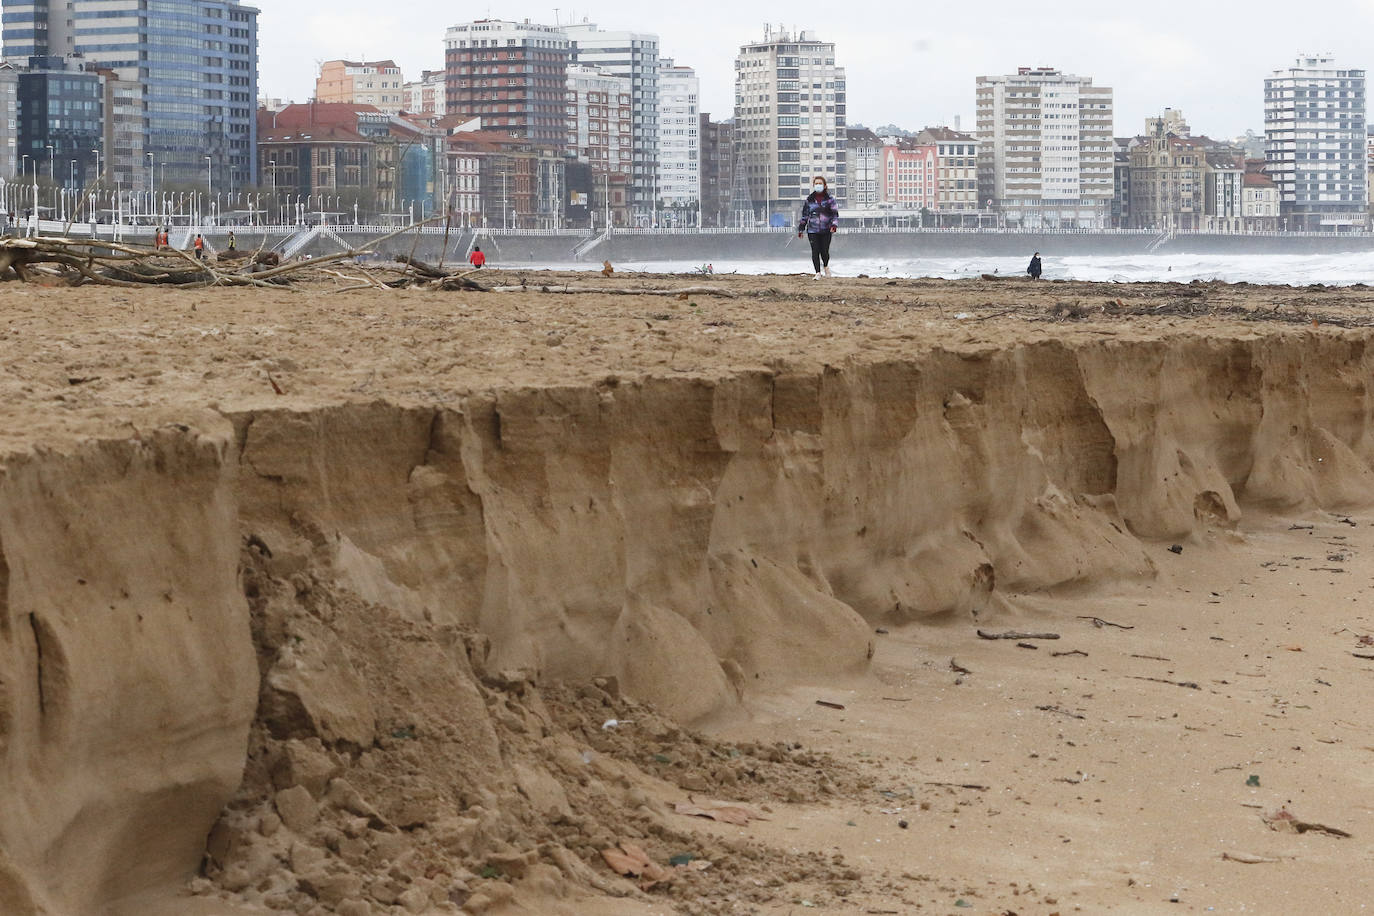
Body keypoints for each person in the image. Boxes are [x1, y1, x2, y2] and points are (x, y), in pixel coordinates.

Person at [797, 175, 838, 279]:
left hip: (826, 229)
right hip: (812, 230)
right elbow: (805, 215)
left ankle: (825, 266)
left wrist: (834, 225)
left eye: (820, 184)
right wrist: (801, 228)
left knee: (824, 251)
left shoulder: (830, 200)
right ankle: (817, 273)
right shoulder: (809, 200)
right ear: (813, 185)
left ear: (824, 186)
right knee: (815, 251)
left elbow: (834, 214)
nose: (818, 185)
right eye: (816, 184)